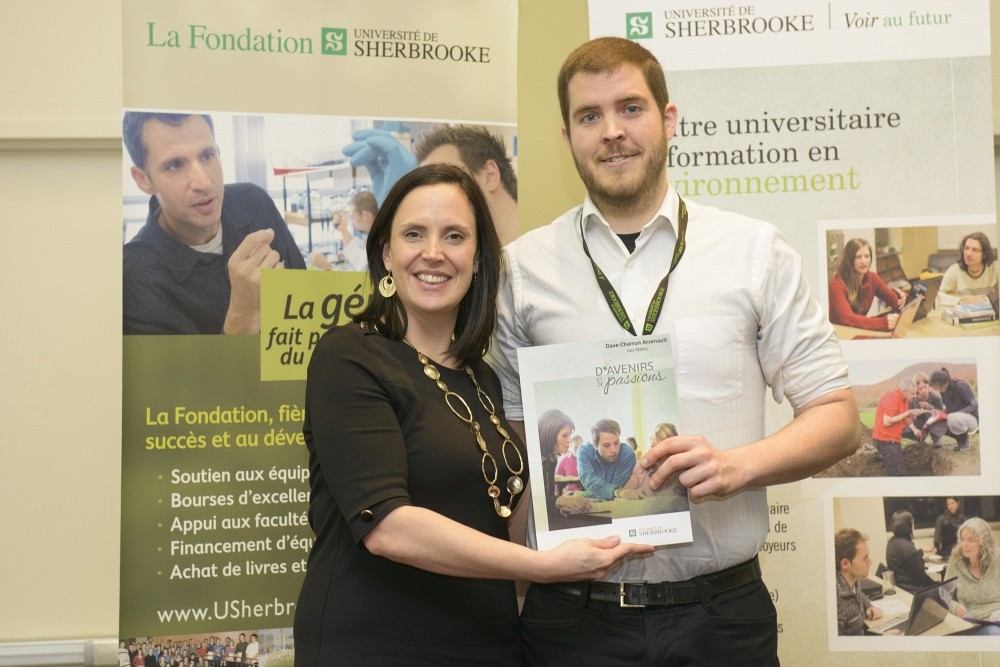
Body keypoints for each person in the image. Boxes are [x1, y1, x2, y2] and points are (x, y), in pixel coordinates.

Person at [489, 36, 859, 665]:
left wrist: (739, 467)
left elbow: (840, 419)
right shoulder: (522, 271)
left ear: (668, 118)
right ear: (568, 135)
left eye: (631, 108)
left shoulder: (754, 252)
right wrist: (517, 593)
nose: (612, 132)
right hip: (571, 621)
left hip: (720, 620)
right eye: (589, 116)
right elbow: (520, 449)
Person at [293, 164, 650, 665]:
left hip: (488, 640)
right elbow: (387, 527)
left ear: (479, 259)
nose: (433, 252)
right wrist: (543, 566)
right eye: (414, 233)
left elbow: (503, 512)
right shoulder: (349, 357)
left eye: (454, 236)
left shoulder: (484, 379)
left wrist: (619, 517)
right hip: (379, 645)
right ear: (386, 253)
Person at [122, 112, 305, 334]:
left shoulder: (254, 201)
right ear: (143, 179)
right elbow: (187, 371)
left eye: (207, 155)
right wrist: (242, 313)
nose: (203, 182)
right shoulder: (133, 280)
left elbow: (307, 303)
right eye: (175, 165)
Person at [415, 124, 519, 246]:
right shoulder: (475, 257)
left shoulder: (539, 252)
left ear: (490, 175)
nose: (437, 197)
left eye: (448, 178)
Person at [829, 237, 905, 331]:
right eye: (858, 257)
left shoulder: (872, 278)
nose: (864, 262)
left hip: (859, 331)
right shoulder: (836, 285)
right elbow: (847, 318)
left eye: (867, 256)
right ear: (849, 260)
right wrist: (882, 322)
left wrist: (904, 298)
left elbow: (895, 301)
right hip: (841, 334)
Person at [945, 517, 1000, 635]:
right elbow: (944, 596)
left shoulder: (997, 559)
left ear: (983, 542)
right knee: (995, 634)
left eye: (970, 540)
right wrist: (955, 608)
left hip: (997, 616)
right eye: (962, 539)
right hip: (972, 621)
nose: (965, 544)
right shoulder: (955, 563)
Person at [536, 409, 592, 518]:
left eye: (570, 435)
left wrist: (559, 509)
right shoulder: (534, 460)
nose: (569, 440)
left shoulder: (551, 460)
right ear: (550, 434)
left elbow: (549, 497)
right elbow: (535, 502)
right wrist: (561, 500)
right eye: (565, 435)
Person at [308, 191, 378, 271]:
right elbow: (361, 251)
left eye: (353, 217)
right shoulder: (374, 235)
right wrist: (343, 230)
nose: (351, 222)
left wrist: (327, 266)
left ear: (365, 215)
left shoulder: (379, 240)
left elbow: (362, 266)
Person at [576, 418, 641, 501]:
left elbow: (613, 493)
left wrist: (582, 494)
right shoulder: (584, 451)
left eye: (617, 443)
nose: (614, 450)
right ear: (595, 445)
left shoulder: (628, 454)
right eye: (607, 445)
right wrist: (616, 492)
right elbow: (589, 481)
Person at [835, 528, 883, 635]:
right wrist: (880, 642)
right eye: (865, 558)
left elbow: (859, 594)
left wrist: (869, 607)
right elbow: (840, 649)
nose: (870, 562)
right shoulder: (836, 604)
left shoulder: (853, 581)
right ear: (845, 564)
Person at [872, 378, 924, 476]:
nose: (914, 396)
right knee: (898, 474)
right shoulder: (892, 397)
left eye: (915, 393)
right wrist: (908, 413)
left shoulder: (905, 401)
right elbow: (887, 421)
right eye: (912, 394)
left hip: (893, 440)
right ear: (904, 391)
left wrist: (913, 416)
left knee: (897, 471)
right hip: (885, 440)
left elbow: (904, 422)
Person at [938, 231, 999, 307]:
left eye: (974, 250)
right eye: (966, 248)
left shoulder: (995, 269)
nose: (968, 254)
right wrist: (960, 300)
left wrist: (983, 301)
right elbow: (939, 296)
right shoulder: (954, 270)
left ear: (984, 254)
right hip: (962, 314)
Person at [929, 367, 979, 452]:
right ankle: (960, 441)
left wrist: (959, 413)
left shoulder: (960, 386)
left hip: (971, 419)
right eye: (937, 388)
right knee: (935, 425)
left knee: (952, 418)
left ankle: (965, 442)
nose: (939, 390)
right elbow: (949, 408)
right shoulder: (943, 392)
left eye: (940, 387)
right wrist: (939, 414)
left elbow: (974, 405)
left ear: (946, 382)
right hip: (956, 419)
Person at [886, 510, 935, 594]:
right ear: (907, 526)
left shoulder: (892, 542)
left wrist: (921, 550)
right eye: (912, 523)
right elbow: (921, 577)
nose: (914, 526)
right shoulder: (907, 547)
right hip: (914, 590)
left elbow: (905, 560)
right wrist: (937, 585)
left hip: (900, 586)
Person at [903, 371, 945, 447]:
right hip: (916, 424)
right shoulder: (911, 399)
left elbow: (941, 414)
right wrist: (915, 429)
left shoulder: (936, 397)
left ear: (928, 385)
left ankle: (936, 440)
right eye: (920, 388)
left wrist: (928, 407)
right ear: (916, 389)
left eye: (925, 386)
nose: (924, 391)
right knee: (900, 429)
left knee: (930, 408)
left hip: (931, 424)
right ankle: (920, 439)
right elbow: (906, 418)